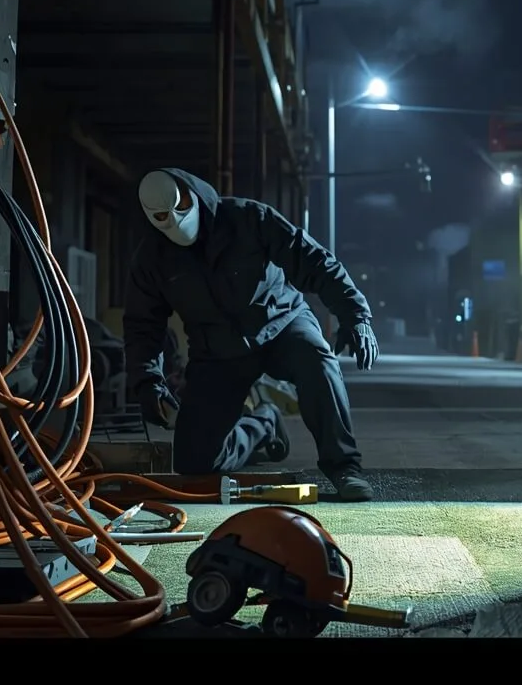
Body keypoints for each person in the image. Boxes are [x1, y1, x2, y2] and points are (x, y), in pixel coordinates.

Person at [123, 168, 379, 501]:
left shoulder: (248, 218)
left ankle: (344, 467)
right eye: (162, 216)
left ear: (191, 192)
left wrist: (355, 315)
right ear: (150, 217)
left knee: (317, 361)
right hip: (217, 353)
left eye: (179, 206)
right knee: (194, 462)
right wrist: (147, 382)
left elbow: (312, 260)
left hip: (282, 324)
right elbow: (143, 324)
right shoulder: (151, 259)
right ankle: (263, 425)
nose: (174, 219)